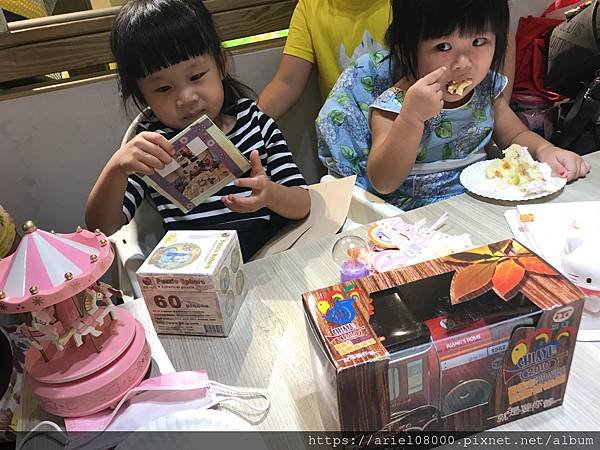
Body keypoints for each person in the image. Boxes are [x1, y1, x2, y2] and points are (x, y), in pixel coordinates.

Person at [85, 0, 310, 261]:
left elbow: (302, 203)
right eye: (163, 89)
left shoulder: (254, 123)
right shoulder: (151, 148)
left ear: (221, 64)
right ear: (142, 96)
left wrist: (270, 195)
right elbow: (101, 228)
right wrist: (117, 168)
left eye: (196, 76)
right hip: (196, 273)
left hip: (269, 258)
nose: (186, 98)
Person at [258, 0, 390, 120]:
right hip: (343, 135)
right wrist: (249, 124)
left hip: (401, 125)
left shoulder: (405, 6)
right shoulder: (310, 6)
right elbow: (287, 84)